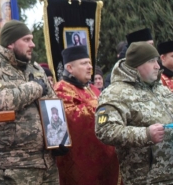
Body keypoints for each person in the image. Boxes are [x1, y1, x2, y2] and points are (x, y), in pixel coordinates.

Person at [0, 20, 65, 185]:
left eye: (32, 39)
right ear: (11, 43)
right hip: (16, 166)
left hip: (47, 162)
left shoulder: (34, 68)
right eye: (26, 40)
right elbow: (0, 99)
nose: (32, 44)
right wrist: (35, 88)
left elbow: (52, 102)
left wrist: (60, 137)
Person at [95, 41, 173, 184]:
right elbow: (104, 130)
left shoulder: (160, 88)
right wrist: (146, 135)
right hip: (145, 179)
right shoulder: (115, 93)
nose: (157, 66)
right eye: (151, 61)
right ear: (136, 65)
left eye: (157, 61)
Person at [54, 45, 120, 185]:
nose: (90, 67)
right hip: (80, 162)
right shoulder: (61, 88)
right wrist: (99, 106)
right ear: (70, 68)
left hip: (104, 158)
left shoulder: (94, 89)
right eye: (84, 63)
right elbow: (69, 117)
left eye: (90, 63)